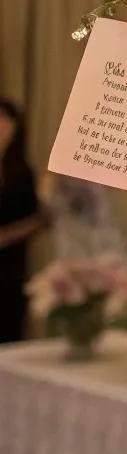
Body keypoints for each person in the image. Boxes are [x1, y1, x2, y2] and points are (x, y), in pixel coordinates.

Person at [0, 98, 44, 343]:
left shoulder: (22, 171)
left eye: (5, 123)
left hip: (10, 265)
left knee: (9, 329)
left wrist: (7, 235)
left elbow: (37, 219)